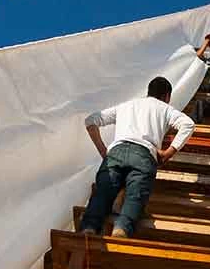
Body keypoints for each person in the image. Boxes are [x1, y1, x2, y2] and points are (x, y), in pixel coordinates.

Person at [81, 77, 195, 238]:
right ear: (167, 96)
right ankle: (121, 228)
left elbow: (91, 121)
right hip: (143, 154)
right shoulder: (165, 109)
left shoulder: (127, 105)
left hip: (116, 152)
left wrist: (103, 150)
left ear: (149, 91)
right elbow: (188, 124)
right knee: (135, 194)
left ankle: (89, 227)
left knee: (103, 191)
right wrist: (169, 152)